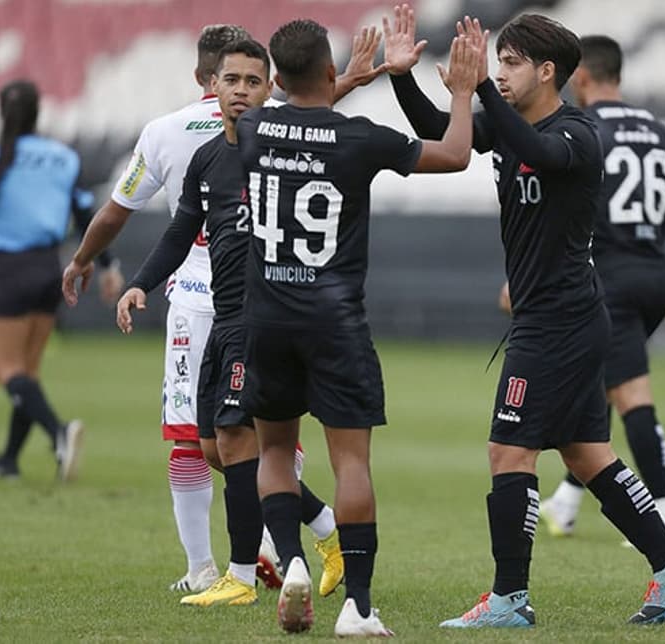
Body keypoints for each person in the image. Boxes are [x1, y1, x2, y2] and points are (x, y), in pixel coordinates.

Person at [386, 8, 665, 627]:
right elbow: (437, 129)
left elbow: (533, 147)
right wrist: (402, 77)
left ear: (547, 71)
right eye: (499, 62)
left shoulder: (579, 134)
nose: (501, 73)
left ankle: (509, 600)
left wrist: (478, 84)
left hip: (558, 322)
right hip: (561, 317)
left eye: (510, 64)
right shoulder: (510, 124)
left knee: (508, 452)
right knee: (587, 454)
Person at [62, 24, 361, 594]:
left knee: (227, 441)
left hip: (230, 309)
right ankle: (310, 530)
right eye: (232, 78)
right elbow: (182, 229)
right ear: (214, 80)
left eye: (253, 80)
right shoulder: (232, 142)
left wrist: (84, 260)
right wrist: (139, 282)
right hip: (214, 306)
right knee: (218, 443)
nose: (241, 88)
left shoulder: (165, 131)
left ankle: (226, 566)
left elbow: (116, 211)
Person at [236, 18, 477, 636]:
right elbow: (453, 155)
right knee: (351, 463)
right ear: (326, 69)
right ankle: (358, 608)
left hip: (265, 316)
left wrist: (346, 81)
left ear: (276, 77)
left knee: (271, 448)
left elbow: (299, 114)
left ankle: (290, 562)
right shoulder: (359, 139)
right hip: (333, 320)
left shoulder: (253, 127)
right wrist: (461, 92)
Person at [530, 35, 665, 542]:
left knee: (632, 394)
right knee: (597, 385)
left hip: (606, 277)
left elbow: (562, 213)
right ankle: (567, 502)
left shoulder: (582, 128)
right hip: (656, 278)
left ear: (581, 76)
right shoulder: (658, 131)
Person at [0, 80, 123, 483]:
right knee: (28, 373)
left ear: (2, 114)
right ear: (38, 113)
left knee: (7, 371)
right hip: (50, 270)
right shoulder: (62, 157)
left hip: (9, 270)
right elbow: (89, 215)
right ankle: (9, 462)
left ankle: (58, 433)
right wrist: (106, 266)